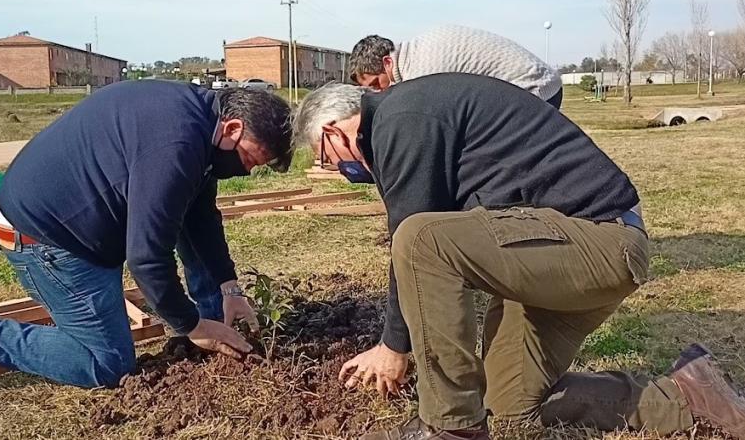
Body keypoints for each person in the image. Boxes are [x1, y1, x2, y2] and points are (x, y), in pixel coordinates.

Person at [292, 80, 745, 440]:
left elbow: (414, 240)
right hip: (557, 252)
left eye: (328, 160)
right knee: (506, 404)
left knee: (419, 237)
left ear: (334, 131)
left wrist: (394, 347)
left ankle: (451, 427)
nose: (340, 171)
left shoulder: (400, 119)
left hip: (602, 241)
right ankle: (687, 396)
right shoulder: (409, 117)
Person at [0, 80, 293, 397]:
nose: (245, 171)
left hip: (74, 222)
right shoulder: (176, 145)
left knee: (193, 221)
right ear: (232, 129)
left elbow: (200, 216)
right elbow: (146, 258)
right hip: (46, 238)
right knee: (106, 363)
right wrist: (190, 325)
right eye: (249, 160)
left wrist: (229, 288)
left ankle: (215, 327)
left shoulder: (198, 120)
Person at [348, 25, 564, 108]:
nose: (379, 91)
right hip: (538, 83)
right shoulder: (417, 51)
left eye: (376, 83)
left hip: (534, 88)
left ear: (387, 62)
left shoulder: (419, 73)